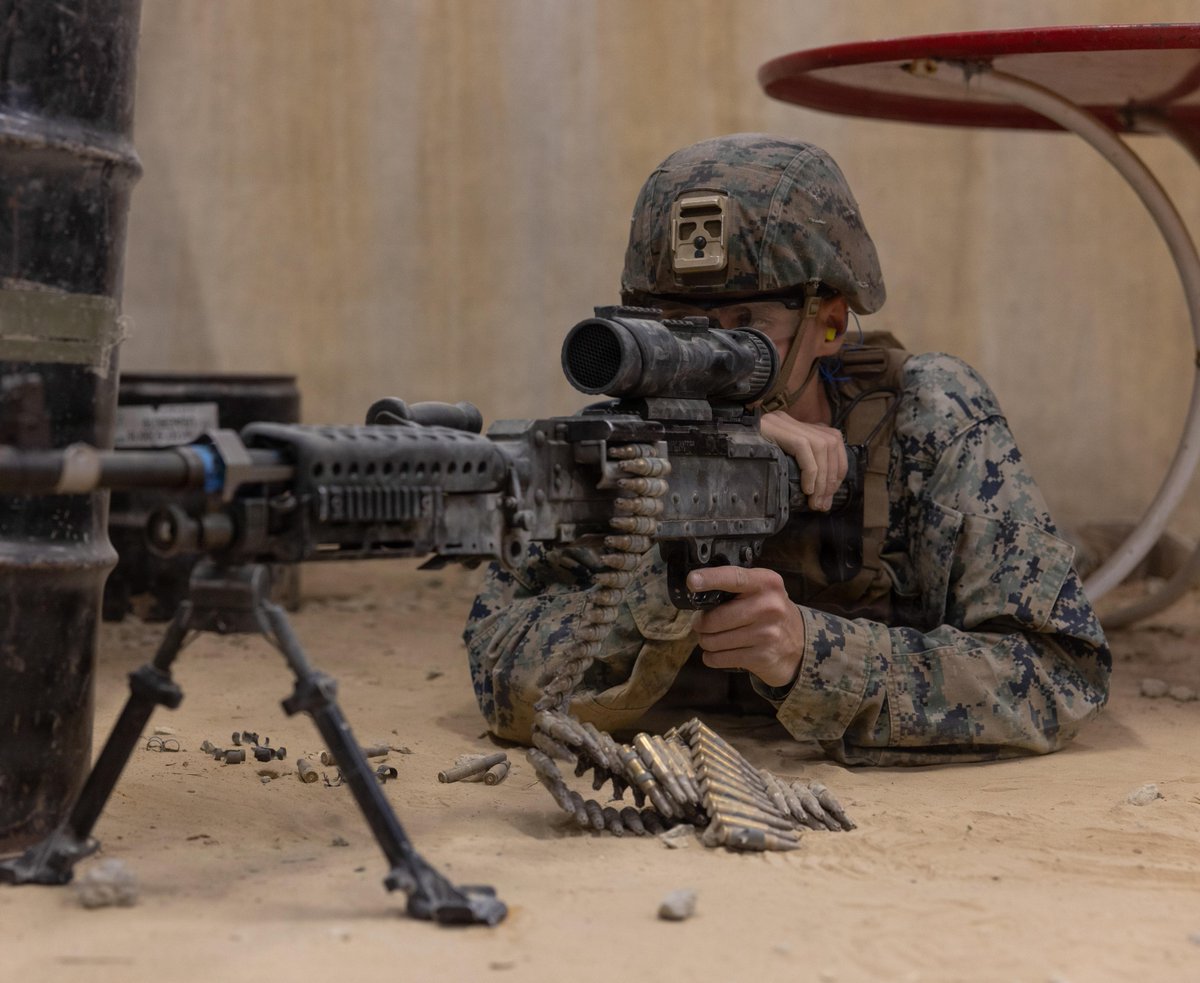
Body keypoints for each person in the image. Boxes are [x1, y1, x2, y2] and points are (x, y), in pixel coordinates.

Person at [463, 133, 1110, 765]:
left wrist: (815, 653)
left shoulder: (928, 416)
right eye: (674, 323)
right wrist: (653, 594)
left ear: (828, 321)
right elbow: (499, 672)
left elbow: (1060, 673)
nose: (702, 358)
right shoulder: (624, 445)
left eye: (748, 327)